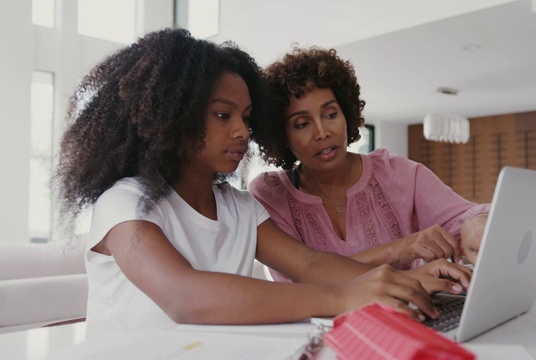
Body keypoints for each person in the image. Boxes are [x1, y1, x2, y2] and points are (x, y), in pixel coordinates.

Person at [54, 28, 473, 326]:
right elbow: (185, 298)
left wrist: (404, 282)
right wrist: (346, 296)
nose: (241, 131)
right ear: (173, 117)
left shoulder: (239, 207)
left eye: (247, 118)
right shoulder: (126, 203)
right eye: (223, 115)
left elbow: (309, 263)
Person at [249, 46, 490, 282]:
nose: (322, 132)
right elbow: (303, 283)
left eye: (331, 114)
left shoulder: (397, 172)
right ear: (280, 135)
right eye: (302, 123)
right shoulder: (270, 193)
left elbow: (463, 216)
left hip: (406, 316)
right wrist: (397, 249)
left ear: (347, 114)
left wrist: (475, 224)